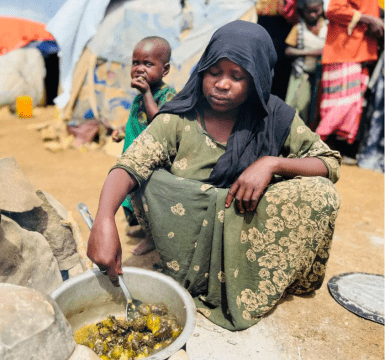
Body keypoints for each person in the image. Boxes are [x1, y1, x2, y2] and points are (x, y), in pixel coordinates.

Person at [87, 20, 342, 331]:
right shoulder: (181, 115)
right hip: (186, 234)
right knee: (147, 180)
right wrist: (103, 218)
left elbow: (328, 161)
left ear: (257, 79)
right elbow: (130, 163)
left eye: (238, 77)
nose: (222, 84)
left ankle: (249, 276)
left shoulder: (275, 116)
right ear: (202, 71)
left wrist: (271, 164)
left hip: (246, 226)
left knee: (320, 194)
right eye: (214, 72)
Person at [112, 36, 176, 255]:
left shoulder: (167, 95)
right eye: (135, 63)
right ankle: (142, 227)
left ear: (164, 69)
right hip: (135, 156)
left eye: (148, 64)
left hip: (154, 163)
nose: (139, 69)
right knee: (134, 196)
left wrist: (147, 93)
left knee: (148, 198)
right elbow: (136, 118)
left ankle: (153, 238)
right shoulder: (140, 96)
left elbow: (160, 123)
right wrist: (122, 130)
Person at [315, 0, 383, 163]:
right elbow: (333, 10)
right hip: (343, 51)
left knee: (351, 107)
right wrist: (369, 19)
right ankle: (317, 148)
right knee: (339, 106)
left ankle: (334, 153)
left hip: (360, 52)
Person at [284, 0, 327, 129]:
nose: (313, 15)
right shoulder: (298, 28)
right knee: (297, 106)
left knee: (316, 110)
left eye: (316, 11)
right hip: (302, 73)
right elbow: (288, 50)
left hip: (323, 76)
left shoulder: (329, 27)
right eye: (309, 11)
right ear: (303, 11)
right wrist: (311, 52)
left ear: (322, 9)